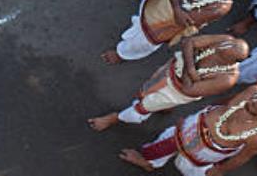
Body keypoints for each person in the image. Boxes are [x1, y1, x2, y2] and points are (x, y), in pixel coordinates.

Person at [89, 34, 248, 129]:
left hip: (176, 92)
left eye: (222, 54)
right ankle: (165, 107)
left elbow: (189, 90)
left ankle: (115, 118)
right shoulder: (226, 40)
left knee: (143, 106)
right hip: (171, 69)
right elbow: (189, 42)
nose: (219, 47)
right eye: (221, 46)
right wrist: (191, 69)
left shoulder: (227, 78)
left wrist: (187, 63)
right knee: (147, 88)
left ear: (231, 61)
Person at [119, 86, 257, 175]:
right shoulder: (253, 91)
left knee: (187, 168)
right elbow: (227, 101)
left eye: (254, 106)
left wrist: (219, 170)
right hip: (195, 124)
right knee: (166, 141)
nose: (250, 102)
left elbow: (242, 157)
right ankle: (148, 163)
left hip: (207, 151)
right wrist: (199, 114)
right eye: (255, 98)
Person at [105, 0, 239, 63]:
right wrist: (176, 6)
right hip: (160, 5)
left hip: (166, 23)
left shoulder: (219, 6)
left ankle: (122, 55)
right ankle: (135, 27)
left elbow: (182, 20)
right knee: (141, 19)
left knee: (142, 41)